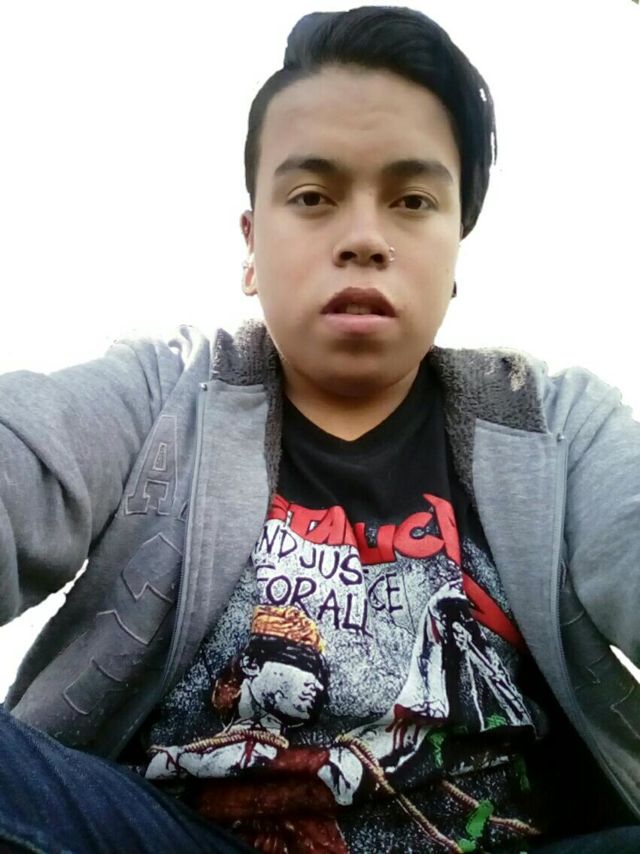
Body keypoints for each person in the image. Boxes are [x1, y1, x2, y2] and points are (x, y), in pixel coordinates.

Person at [0, 5, 638, 853]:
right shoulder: (161, 398)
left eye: (412, 201)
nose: (365, 238)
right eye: (312, 197)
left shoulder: (556, 428)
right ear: (251, 243)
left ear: (455, 248)